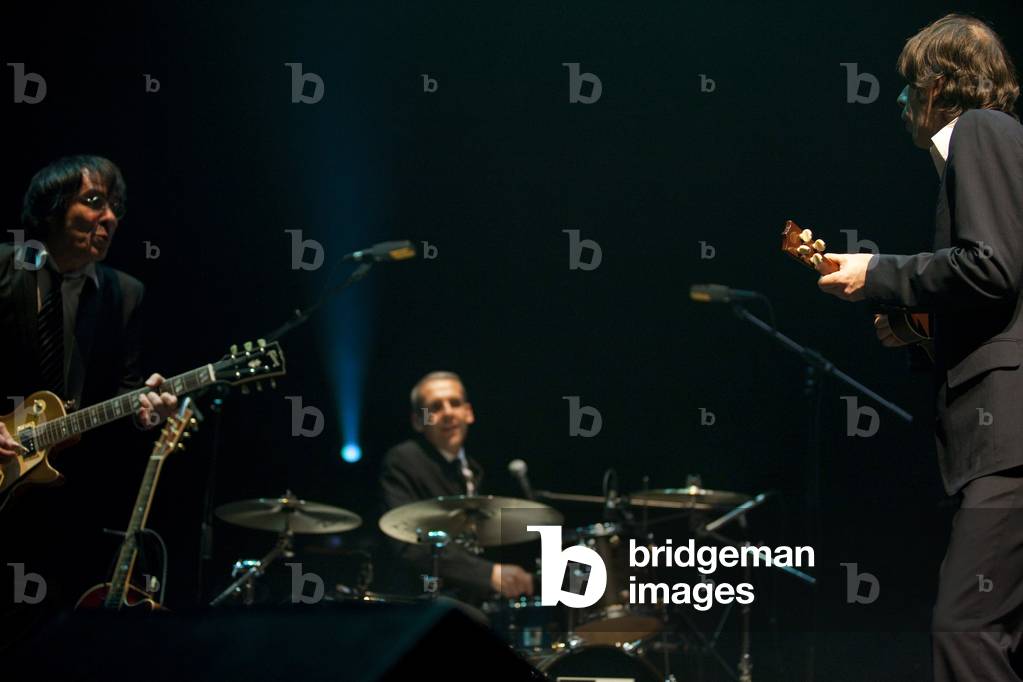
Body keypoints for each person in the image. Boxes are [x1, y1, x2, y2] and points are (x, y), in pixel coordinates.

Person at [817, 15, 1023, 681]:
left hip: (1008, 438)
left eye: (907, 87)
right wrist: (917, 326)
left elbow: (990, 267)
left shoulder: (980, 133)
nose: (900, 103)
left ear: (936, 85)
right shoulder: (997, 144)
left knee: (965, 628)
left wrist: (876, 273)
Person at [0, 155, 178, 639]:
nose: (110, 218)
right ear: (52, 209)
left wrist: (146, 410)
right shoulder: (3, 268)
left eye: (114, 208)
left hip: (69, 501)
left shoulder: (126, 293)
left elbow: (126, 387)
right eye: (94, 202)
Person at [379, 371, 534, 605]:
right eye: (435, 407)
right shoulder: (403, 460)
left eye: (455, 403)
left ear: (468, 413)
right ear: (417, 421)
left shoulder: (474, 469)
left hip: (471, 599)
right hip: (424, 603)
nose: (448, 413)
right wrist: (487, 574)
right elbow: (409, 544)